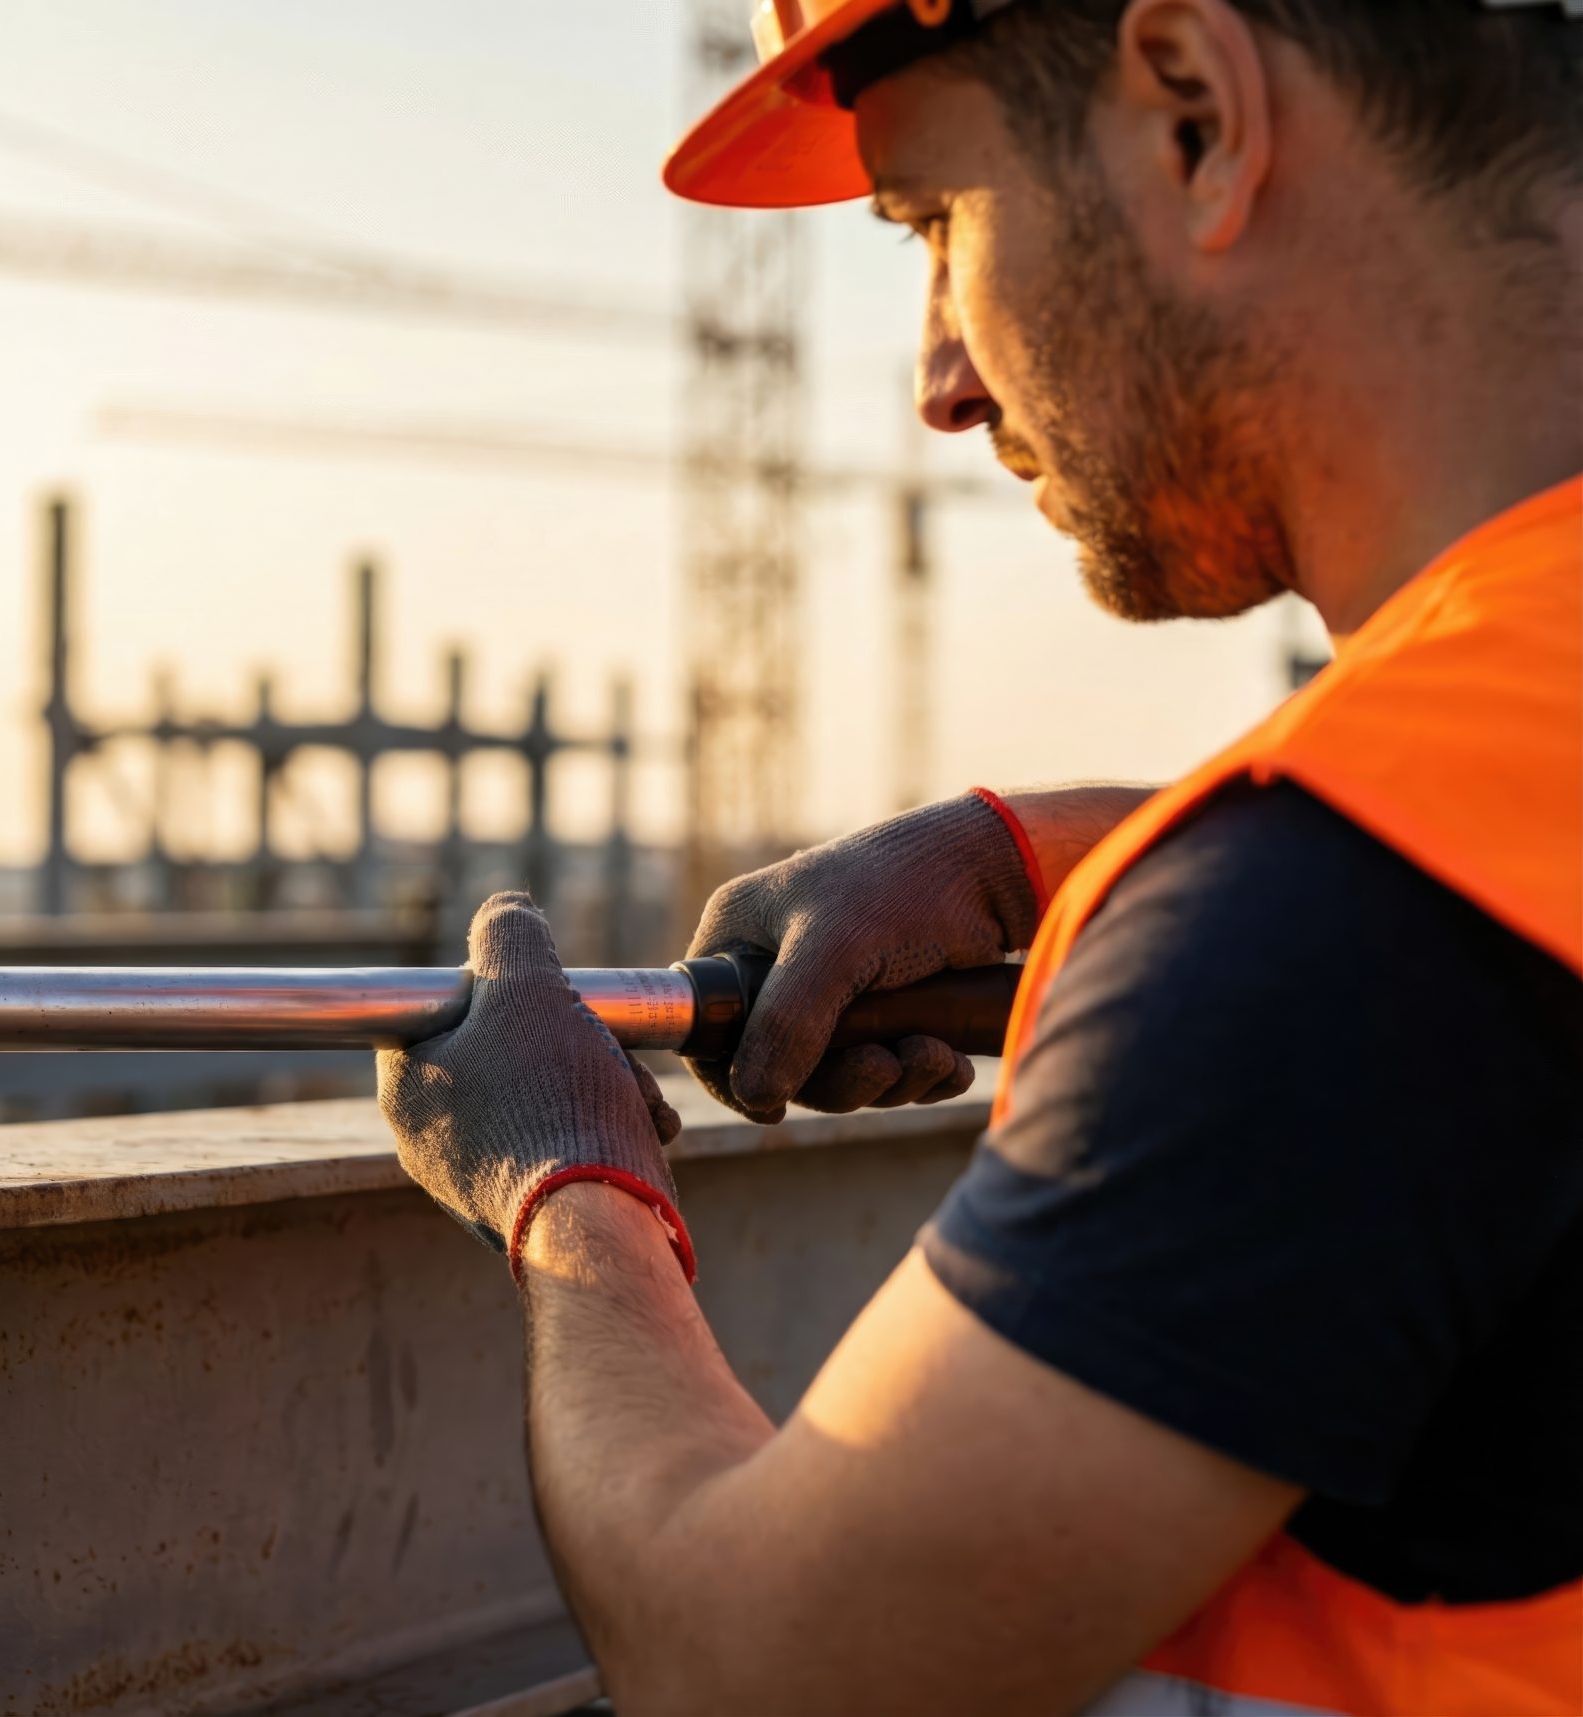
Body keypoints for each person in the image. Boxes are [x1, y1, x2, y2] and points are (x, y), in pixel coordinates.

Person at [373, 3, 1583, 1711]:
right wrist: (1045, 858)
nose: (943, 377)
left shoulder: (1338, 934)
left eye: (938, 218)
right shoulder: (1434, 853)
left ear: (1193, 116)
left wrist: (569, 1187)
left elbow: (759, 1660)